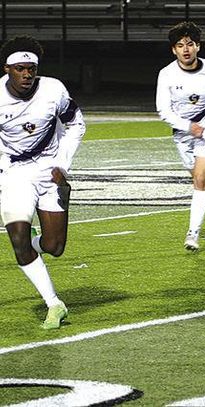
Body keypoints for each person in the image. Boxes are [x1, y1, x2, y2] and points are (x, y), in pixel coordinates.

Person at [0, 36, 85, 329]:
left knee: (54, 246)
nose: (26, 75)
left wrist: (63, 163)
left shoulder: (53, 90)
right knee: (18, 240)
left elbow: (76, 124)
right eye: (20, 69)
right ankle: (54, 304)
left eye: (31, 69)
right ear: (7, 69)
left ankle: (34, 240)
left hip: (50, 171)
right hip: (14, 173)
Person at [156, 21, 205, 252]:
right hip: (183, 132)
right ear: (173, 50)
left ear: (198, 46)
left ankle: (192, 234)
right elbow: (163, 110)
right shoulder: (166, 74)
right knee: (200, 177)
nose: (185, 49)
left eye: (190, 44)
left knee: (199, 179)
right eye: (180, 45)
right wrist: (188, 126)